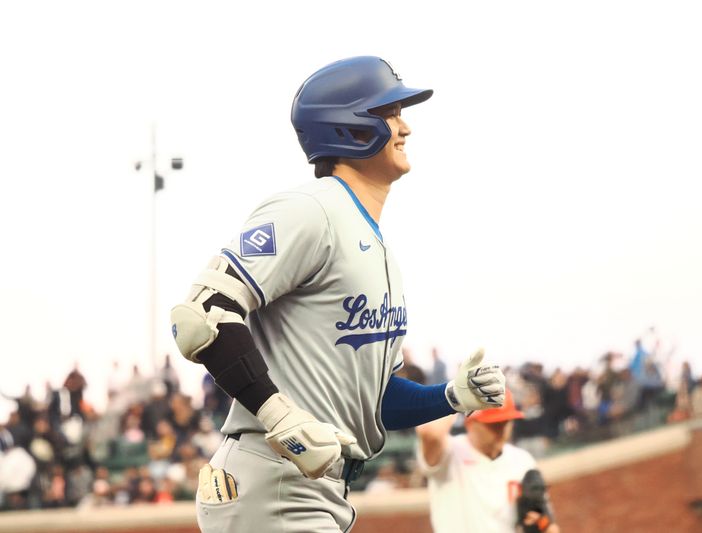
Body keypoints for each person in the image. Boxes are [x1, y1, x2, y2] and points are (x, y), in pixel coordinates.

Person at [170, 56, 506, 533]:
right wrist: (279, 415)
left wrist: (451, 396)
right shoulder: (312, 209)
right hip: (274, 477)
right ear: (350, 126)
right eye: (390, 113)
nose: (405, 127)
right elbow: (202, 314)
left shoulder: (372, 241)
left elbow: (377, 399)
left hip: (317, 488)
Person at [416, 388, 560, 533]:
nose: (501, 430)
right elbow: (430, 431)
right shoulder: (450, 452)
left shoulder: (522, 460)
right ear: (470, 423)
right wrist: (459, 393)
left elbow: (550, 527)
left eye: (505, 422)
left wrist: (542, 523)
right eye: (493, 424)